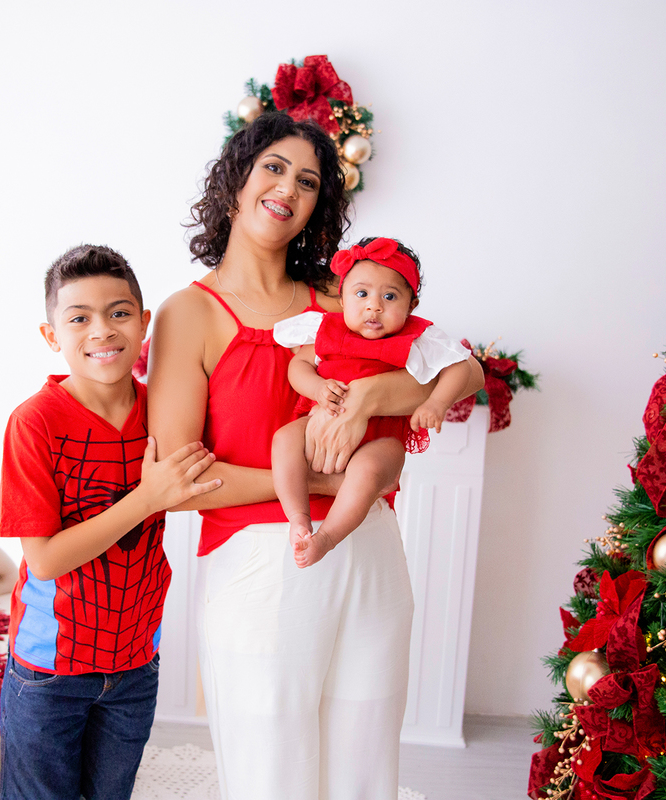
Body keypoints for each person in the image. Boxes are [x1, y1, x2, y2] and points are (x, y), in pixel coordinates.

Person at [148, 113, 484, 799]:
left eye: (307, 181)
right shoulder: (190, 313)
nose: (287, 189)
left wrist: (366, 401)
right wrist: (312, 483)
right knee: (274, 772)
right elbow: (179, 481)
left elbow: (465, 372)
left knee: (364, 769)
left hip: (371, 553)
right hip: (263, 566)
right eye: (273, 167)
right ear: (236, 178)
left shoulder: (344, 297)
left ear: (318, 205)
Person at [0, 244, 219, 800]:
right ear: (53, 337)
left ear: (145, 324)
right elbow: (44, 559)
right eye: (79, 318)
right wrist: (147, 498)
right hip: (50, 669)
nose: (102, 330)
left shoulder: (164, 412)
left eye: (119, 313)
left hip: (136, 660)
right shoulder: (34, 423)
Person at [272, 236, 475, 568]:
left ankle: (327, 538)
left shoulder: (417, 338)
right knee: (283, 439)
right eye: (362, 294)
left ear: (412, 304)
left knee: (368, 471)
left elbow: (459, 367)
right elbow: (298, 365)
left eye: (390, 296)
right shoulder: (328, 331)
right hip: (323, 418)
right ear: (342, 298)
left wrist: (436, 403)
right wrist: (317, 387)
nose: (374, 306)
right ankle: (298, 518)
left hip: (383, 437)